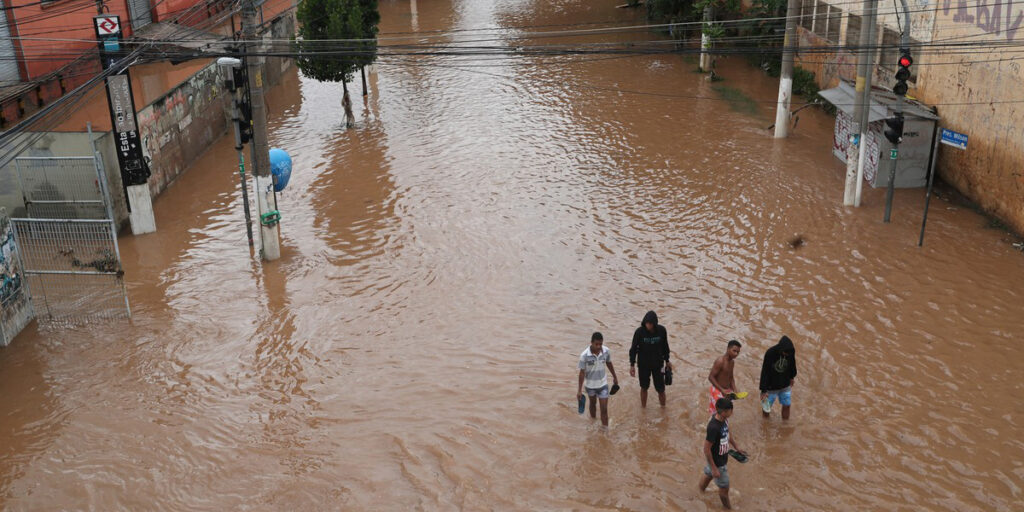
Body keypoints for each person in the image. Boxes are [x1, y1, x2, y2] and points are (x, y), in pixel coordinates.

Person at [700, 398, 746, 510]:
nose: (732, 412)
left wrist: (736, 447)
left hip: (720, 457)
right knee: (724, 488)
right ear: (724, 412)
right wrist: (715, 468)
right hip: (718, 462)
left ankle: (699, 492)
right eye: (731, 410)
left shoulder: (723, 419)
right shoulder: (713, 427)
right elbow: (706, 449)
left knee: (709, 473)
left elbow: (728, 433)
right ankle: (727, 508)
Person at [628, 310, 671, 407]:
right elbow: (633, 349)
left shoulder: (662, 331)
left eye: (650, 323)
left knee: (661, 389)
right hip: (643, 365)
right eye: (646, 323)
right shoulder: (639, 332)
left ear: (654, 323)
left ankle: (663, 408)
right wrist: (632, 365)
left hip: (658, 364)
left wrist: (667, 361)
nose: (648, 325)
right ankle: (643, 408)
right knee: (644, 387)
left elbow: (665, 346)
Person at [577, 332, 618, 426]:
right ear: (591, 343)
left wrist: (615, 377)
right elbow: (582, 373)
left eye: (601, 344)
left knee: (604, 409)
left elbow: (609, 363)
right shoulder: (584, 355)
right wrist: (579, 390)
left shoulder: (606, 351)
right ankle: (593, 423)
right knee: (592, 405)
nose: (599, 346)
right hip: (590, 386)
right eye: (596, 344)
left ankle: (605, 431)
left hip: (603, 385)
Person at [759, 335, 797, 419]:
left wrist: (792, 377)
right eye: (785, 353)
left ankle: (785, 425)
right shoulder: (770, 353)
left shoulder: (791, 352)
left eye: (788, 354)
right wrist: (763, 390)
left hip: (785, 384)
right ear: (780, 349)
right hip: (771, 387)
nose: (787, 355)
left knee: (787, 405)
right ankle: (765, 427)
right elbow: (765, 371)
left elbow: (792, 364)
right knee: (766, 409)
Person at [708, 340, 742, 415]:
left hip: (727, 391)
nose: (736, 354)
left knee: (727, 413)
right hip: (718, 390)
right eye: (734, 351)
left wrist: (735, 389)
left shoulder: (732, 362)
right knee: (717, 414)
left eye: (738, 352)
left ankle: (723, 426)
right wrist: (722, 389)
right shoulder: (720, 361)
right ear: (728, 349)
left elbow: (731, 377)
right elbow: (710, 377)